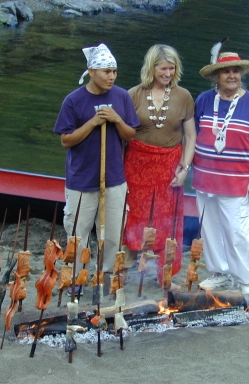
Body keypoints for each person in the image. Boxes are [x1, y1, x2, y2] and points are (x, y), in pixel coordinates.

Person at [53, 43, 140, 294]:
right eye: (106, 71)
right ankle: (78, 279)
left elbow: (130, 134)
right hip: (81, 179)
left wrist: (116, 119)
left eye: (114, 71)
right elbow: (66, 140)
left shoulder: (121, 97)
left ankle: (107, 276)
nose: (112, 76)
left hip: (113, 178)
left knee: (113, 233)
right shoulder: (74, 100)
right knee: (78, 233)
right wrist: (92, 122)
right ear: (91, 71)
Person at [193, 41, 249, 296]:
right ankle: (219, 273)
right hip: (204, 181)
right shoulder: (204, 100)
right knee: (210, 229)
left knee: (237, 232)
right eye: (226, 71)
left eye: (236, 71)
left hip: (237, 183)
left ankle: (244, 278)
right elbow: (191, 135)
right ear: (216, 77)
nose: (232, 75)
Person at [123, 44, 196, 286]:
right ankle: (125, 267)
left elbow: (190, 136)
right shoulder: (133, 94)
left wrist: (184, 168)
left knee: (168, 219)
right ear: (151, 68)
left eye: (172, 69)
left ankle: (164, 275)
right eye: (163, 68)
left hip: (169, 165)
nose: (168, 73)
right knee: (135, 215)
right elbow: (122, 133)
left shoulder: (183, 96)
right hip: (137, 164)